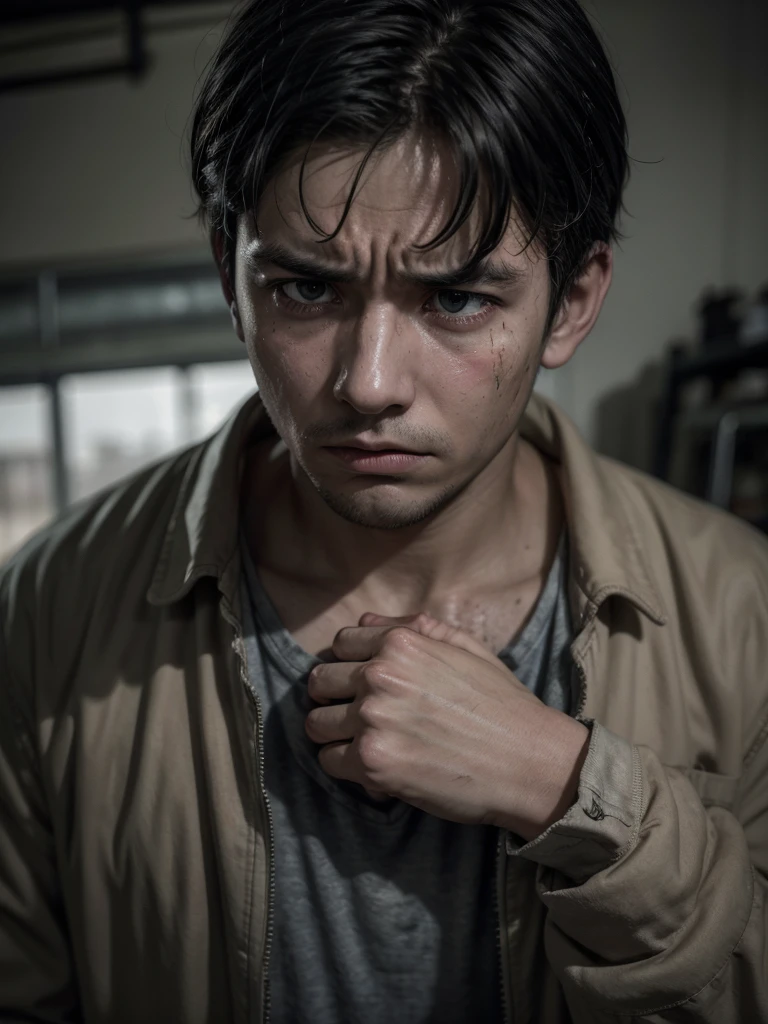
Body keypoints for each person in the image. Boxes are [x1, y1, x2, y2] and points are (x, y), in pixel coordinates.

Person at [1, 0, 766, 1021]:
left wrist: (570, 786)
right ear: (231, 280)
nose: (368, 383)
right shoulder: (51, 607)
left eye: (456, 300)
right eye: (306, 291)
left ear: (573, 301)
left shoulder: (743, 613)